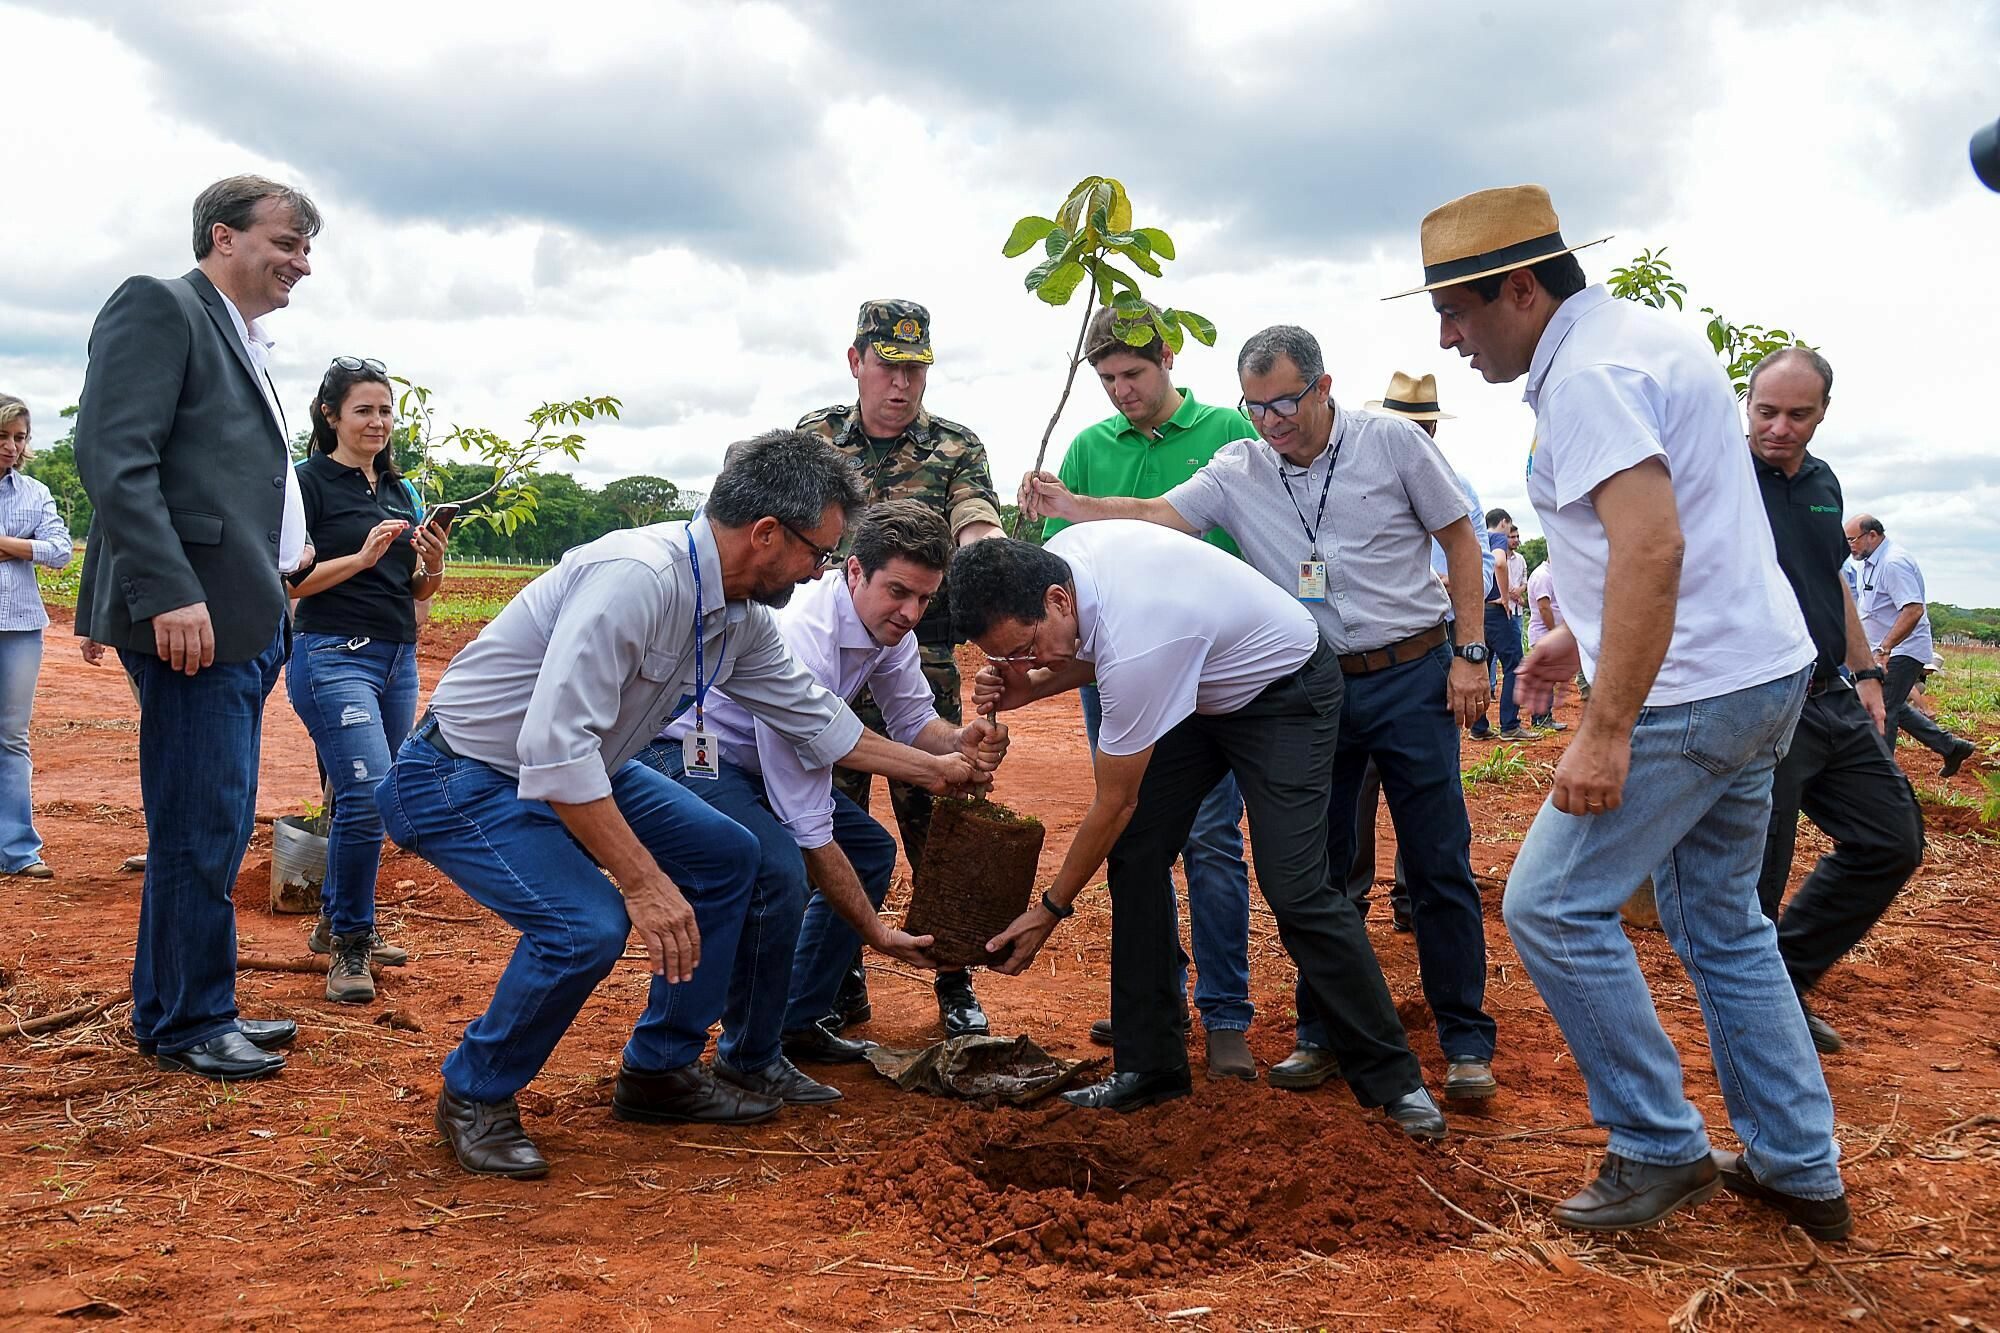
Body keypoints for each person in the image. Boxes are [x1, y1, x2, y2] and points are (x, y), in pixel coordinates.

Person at [1406, 182, 1847, 1237]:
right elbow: (1662, 522)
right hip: (1757, 671)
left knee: (1550, 907)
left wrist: (1604, 727)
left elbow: (1653, 543)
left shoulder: (1587, 377)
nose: (1446, 336)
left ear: (1518, 289)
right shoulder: (1633, 335)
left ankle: (1655, 1144)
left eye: (1458, 311)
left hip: (1685, 696)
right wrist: (1577, 633)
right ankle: (1796, 1164)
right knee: (1722, 923)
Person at [375, 430, 982, 1179]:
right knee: (585, 926)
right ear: (766, 534)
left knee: (735, 855)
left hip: (592, 763)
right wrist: (643, 880)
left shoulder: (739, 615)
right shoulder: (637, 579)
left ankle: (660, 1069)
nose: (817, 570)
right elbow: (554, 750)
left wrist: (936, 768)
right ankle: (476, 1090)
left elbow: (817, 721)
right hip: (464, 772)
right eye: (817, 554)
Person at [1021, 324, 1498, 1102]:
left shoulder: (1392, 443)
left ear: (1323, 387)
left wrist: (1472, 653)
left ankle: (1465, 1043)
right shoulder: (1241, 465)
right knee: (1319, 870)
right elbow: (1155, 514)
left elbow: (1459, 535)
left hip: (1408, 672)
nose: (1271, 421)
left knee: (1435, 859)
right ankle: (1320, 1036)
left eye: (1284, 403)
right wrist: (1071, 505)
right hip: (1307, 683)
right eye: (1257, 406)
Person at [954, 528, 1447, 1136]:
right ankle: (1150, 1067)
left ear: (1058, 600)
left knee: (1294, 888)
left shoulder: (1140, 639)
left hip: (1283, 691)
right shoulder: (1064, 564)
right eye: (1007, 657)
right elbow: (1073, 661)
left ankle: (1395, 1080)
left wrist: (1051, 910)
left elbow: (1116, 802)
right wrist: (1021, 682)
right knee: (1137, 856)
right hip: (1201, 689)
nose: (1028, 664)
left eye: (1027, 646)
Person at [73, 175, 322, 1082]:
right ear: (224, 235)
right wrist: (169, 590)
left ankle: (180, 1001)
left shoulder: (244, 338)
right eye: (288, 243)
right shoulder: (162, 306)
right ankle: (189, 1019)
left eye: (307, 251)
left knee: (208, 818)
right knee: (201, 821)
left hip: (243, 618)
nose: (302, 263)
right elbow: (114, 457)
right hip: (193, 620)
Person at [635, 500, 1007, 1102]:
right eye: (898, 592)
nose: (911, 613)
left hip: (758, 759)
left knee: (869, 851)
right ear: (854, 572)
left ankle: (794, 1021)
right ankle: (742, 1058)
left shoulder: (889, 629)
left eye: (924, 599)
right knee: (773, 867)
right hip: (690, 755)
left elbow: (914, 717)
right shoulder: (805, 633)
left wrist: (960, 742)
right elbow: (805, 821)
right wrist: (875, 932)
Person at [1031, 303, 1260, 1079]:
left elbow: (1222, 534)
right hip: (1118, 663)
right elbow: (1062, 569)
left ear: (1168, 358)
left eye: (1133, 373)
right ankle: (1151, 995)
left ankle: (1225, 1010)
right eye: (1106, 379)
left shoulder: (1229, 430)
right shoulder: (1091, 447)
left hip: (1206, 667)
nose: (1121, 391)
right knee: (1133, 834)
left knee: (1209, 837)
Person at [799, 299, 1005, 1040]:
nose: (902, 383)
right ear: (856, 361)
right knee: (828, 824)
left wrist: (988, 557)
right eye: (888, 365)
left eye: (915, 368)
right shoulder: (815, 441)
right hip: (827, 668)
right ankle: (834, 981)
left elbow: (975, 517)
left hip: (920, 654)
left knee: (935, 832)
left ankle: (954, 979)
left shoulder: (954, 445)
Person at [1746, 349, 1923, 1056]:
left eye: (1798, 414)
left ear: (1822, 413)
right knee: (1760, 876)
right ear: (1747, 405)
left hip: (1831, 695)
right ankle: (1758, 1028)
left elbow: (1832, 580)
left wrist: (1868, 672)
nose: (1780, 427)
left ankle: (1784, 979)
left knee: (1893, 837)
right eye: (1766, 411)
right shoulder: (1721, 478)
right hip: (1761, 706)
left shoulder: (1823, 482)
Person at [283, 356, 449, 1003]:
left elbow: (418, 589)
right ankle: (352, 941)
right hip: (331, 654)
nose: (378, 421)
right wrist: (361, 555)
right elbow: (294, 581)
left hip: (395, 658)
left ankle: (335, 920)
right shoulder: (308, 484)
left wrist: (432, 564)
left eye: (385, 410)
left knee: (373, 794)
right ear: (331, 416)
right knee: (368, 793)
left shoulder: (402, 491)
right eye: (363, 409)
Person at [1351, 372, 1491, 931]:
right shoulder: (1357, 483)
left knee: (1427, 788)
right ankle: (1353, 901)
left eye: (1420, 426)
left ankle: (1416, 902)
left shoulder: (1458, 491)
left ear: (1433, 429)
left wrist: (1467, 652)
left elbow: (1472, 565)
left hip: (1430, 652)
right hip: (1365, 658)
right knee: (1357, 787)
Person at [0, 396, 74, 880]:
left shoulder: (33, 492)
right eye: (3, 437)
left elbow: (62, 550)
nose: (11, 447)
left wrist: (8, 545)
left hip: (20, 627)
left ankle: (17, 849)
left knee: (11, 737)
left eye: (19, 438)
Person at [1843, 515, 1976, 775]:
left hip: (1902, 650)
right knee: (1891, 704)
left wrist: (1886, 648)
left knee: (1883, 711)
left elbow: (1913, 610)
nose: (1850, 546)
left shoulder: (1893, 563)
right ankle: (1950, 747)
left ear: (1872, 535)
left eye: (1852, 539)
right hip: (1880, 650)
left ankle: (1881, 781)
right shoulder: (1869, 563)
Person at [1468, 508, 1526, 740]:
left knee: (1482, 665)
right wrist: (1503, 596)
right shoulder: (1498, 538)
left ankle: (1478, 727)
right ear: (1503, 522)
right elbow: (1500, 564)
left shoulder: (1477, 537)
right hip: (1495, 609)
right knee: (1515, 666)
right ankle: (1510, 725)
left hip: (1477, 611)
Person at [1525, 556, 1567, 730]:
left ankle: (1543, 717)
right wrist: (1554, 632)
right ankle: (1541, 719)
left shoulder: (1551, 575)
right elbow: (1544, 607)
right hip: (1544, 634)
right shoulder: (1543, 576)